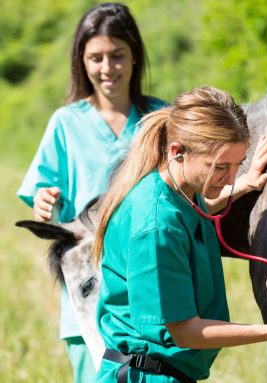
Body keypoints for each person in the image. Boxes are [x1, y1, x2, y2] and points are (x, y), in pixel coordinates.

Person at [92, 86, 267, 383]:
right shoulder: (154, 228)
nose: (229, 178)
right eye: (221, 167)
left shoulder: (175, 191)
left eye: (237, 164)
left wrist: (245, 183)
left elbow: (193, 209)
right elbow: (184, 331)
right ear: (177, 151)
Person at [17, 3, 166, 382]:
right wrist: (44, 202)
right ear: (81, 61)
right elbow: (43, 198)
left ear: (135, 56)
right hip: (89, 294)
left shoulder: (160, 120)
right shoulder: (66, 124)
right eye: (95, 57)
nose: (107, 68)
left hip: (153, 286)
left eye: (117, 55)